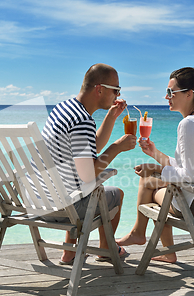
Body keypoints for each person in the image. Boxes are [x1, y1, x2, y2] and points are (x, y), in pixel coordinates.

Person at [116, 67, 194, 263]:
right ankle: (145, 237)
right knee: (150, 180)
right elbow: (190, 167)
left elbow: (189, 176)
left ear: (188, 94)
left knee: (148, 182)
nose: (166, 96)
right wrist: (155, 154)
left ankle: (142, 236)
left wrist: (157, 169)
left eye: (170, 92)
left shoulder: (188, 124)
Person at [38, 63, 136, 265]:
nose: (117, 95)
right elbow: (88, 173)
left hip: (39, 202)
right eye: (115, 90)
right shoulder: (82, 120)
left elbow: (93, 147)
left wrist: (111, 116)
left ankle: (70, 253)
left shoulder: (64, 109)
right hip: (63, 208)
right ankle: (106, 248)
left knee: (77, 187)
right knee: (115, 193)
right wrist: (117, 147)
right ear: (99, 89)